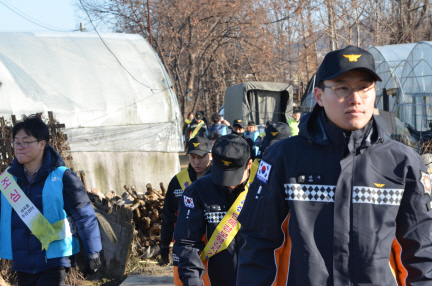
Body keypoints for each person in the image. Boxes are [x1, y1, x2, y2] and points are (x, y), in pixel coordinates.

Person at [236, 45, 432, 285]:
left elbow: (422, 249)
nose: (355, 99)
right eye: (342, 88)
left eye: (364, 88)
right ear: (319, 96)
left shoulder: (402, 162)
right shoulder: (284, 158)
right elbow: (257, 242)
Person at [0, 115, 102, 286]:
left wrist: (93, 252)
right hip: (22, 261)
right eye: (16, 142)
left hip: (55, 258)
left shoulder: (63, 177)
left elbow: (84, 215)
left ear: (42, 144)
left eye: (26, 142)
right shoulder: (8, 181)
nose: (19, 147)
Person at [173, 134, 256, 286]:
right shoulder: (197, 191)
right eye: (222, 175)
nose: (228, 183)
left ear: (249, 164)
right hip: (213, 279)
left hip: (258, 278)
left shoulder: (263, 190)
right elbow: (187, 244)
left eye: (233, 176)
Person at [160, 137, 212, 284]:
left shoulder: (219, 180)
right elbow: (168, 216)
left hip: (212, 245)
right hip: (184, 246)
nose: (196, 162)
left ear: (210, 155)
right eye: (192, 157)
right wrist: (164, 244)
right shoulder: (177, 181)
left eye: (201, 157)